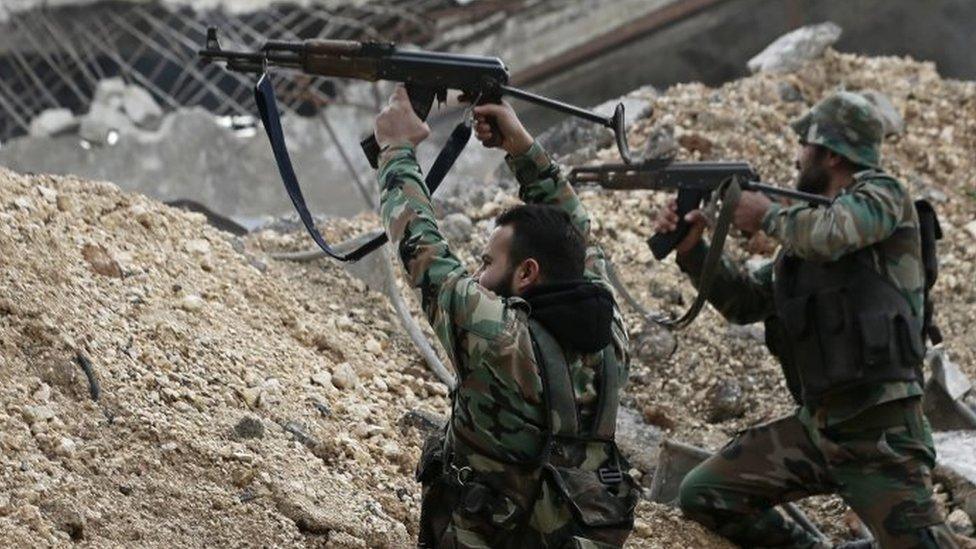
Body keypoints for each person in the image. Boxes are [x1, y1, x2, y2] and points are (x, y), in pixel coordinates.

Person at [655, 91, 957, 548]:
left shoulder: (883, 197)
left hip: (881, 435)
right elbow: (746, 302)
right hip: (819, 428)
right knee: (705, 493)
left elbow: (836, 234)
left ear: (830, 153)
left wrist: (768, 216)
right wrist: (693, 249)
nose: (797, 158)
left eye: (804, 147)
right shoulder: (803, 239)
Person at [373, 88, 638, 548]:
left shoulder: (499, 340)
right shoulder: (610, 328)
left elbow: (422, 248)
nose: (475, 275)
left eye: (486, 263)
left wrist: (396, 148)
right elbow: (576, 236)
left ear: (527, 273)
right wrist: (522, 149)